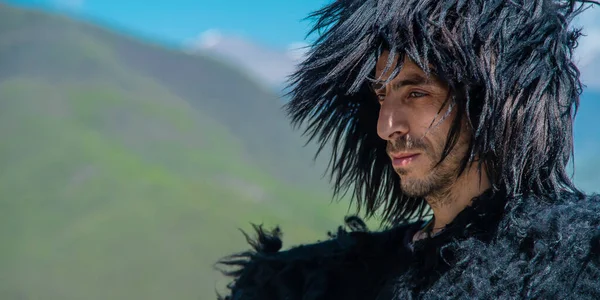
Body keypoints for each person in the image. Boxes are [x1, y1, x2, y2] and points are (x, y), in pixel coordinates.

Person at [217, 0, 600, 299]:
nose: (387, 127)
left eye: (416, 92)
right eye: (381, 97)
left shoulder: (581, 264)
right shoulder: (311, 283)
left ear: (491, 105)